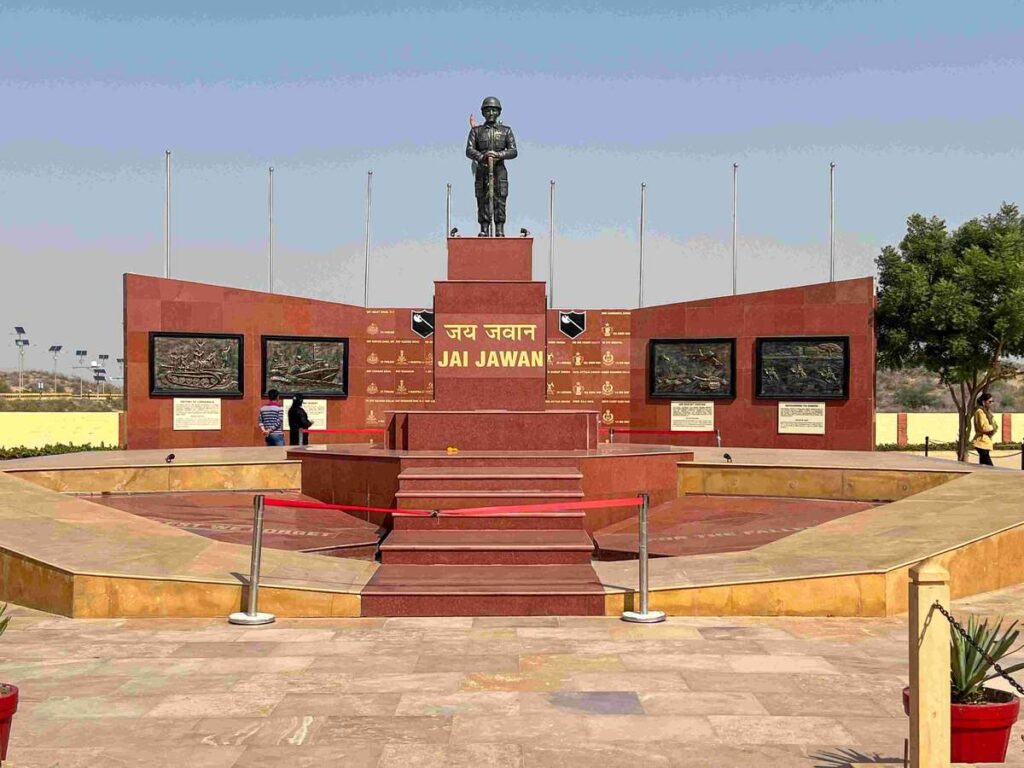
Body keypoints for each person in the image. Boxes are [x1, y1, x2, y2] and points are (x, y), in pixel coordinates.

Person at [465, 96, 517, 237]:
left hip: (499, 171)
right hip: (482, 170)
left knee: (500, 199)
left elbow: (513, 151)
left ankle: (499, 229)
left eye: (494, 110)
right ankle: (484, 229)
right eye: (488, 110)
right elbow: (469, 150)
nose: (491, 113)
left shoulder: (506, 131)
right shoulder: (476, 131)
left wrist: (498, 155)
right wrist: (482, 157)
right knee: (483, 199)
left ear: (499, 112)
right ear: (483, 113)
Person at [972, 392, 998, 466]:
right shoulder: (980, 412)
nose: (991, 403)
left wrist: (993, 426)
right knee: (989, 466)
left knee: (983, 465)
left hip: (986, 442)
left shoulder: (987, 412)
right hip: (981, 441)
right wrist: (993, 427)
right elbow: (983, 427)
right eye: (989, 401)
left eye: (992, 401)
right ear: (983, 402)